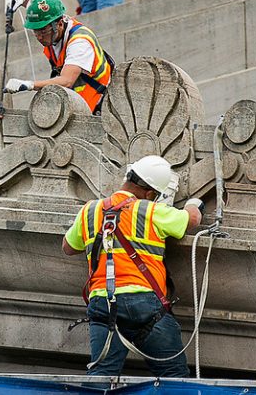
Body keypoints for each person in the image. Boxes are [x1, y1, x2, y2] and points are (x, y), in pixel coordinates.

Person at [62, 155, 204, 378]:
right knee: (173, 378)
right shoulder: (151, 211)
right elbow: (191, 219)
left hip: (103, 304)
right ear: (150, 193)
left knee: (102, 376)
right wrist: (193, 204)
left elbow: (68, 247)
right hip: (144, 305)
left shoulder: (90, 210)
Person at [3, 0, 113, 114]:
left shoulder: (80, 42)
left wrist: (29, 85)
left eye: (43, 31)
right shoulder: (55, 26)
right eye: (35, 31)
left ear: (59, 24)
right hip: (77, 105)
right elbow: (45, 10)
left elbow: (66, 80)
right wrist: (22, 0)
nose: (39, 37)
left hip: (98, 108)